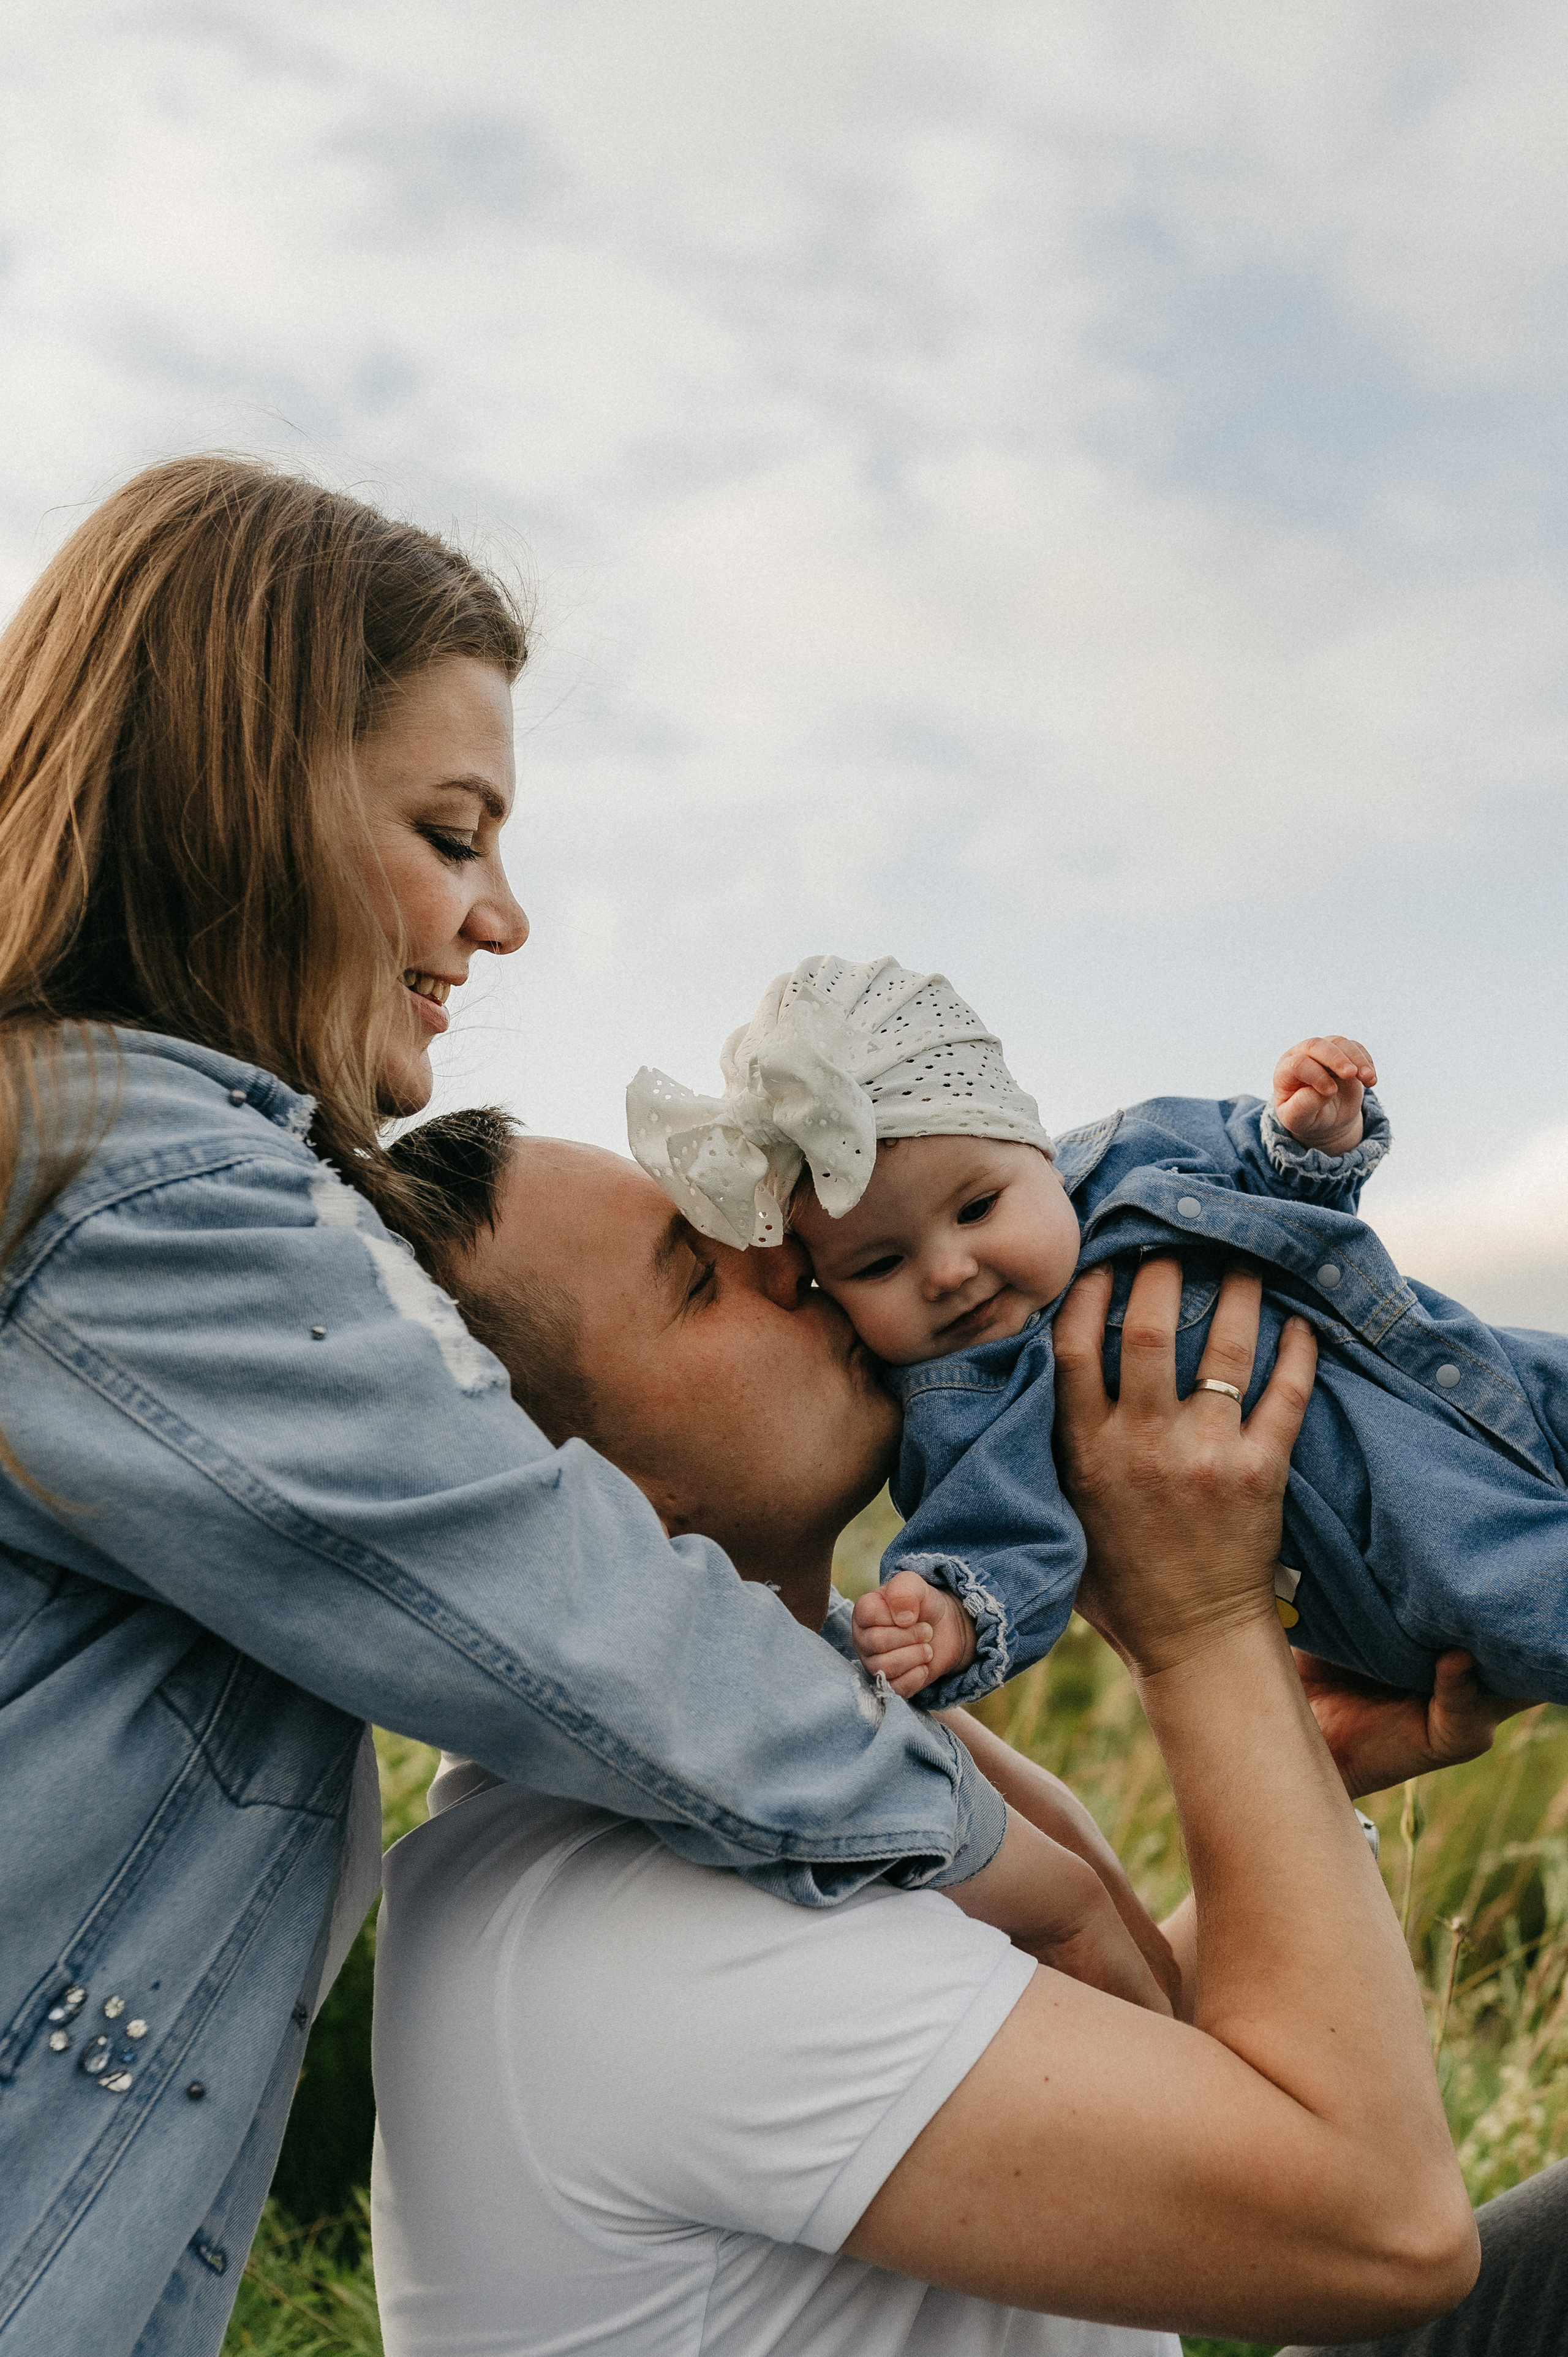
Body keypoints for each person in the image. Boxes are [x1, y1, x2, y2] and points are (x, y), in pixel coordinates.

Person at [0, 462, 1055, 2357]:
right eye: (449, 832)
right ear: (242, 804)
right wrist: (1033, 1877)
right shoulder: (136, 1196)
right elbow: (588, 1624)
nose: (503, 919)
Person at [370, 1110, 1500, 2354]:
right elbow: (1386, 2228)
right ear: (598, 1497)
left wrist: (1300, 1763)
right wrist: (1203, 1626)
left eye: (737, 1224)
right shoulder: (637, 1926)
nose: (787, 1255)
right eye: (698, 1279)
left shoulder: (811, 1729)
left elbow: (1155, 2050)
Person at [627, 953, 1561, 1716]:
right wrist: (951, 1613)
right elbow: (1002, 1534)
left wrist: (1312, 1133)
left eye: (978, 1207)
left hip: (1462, 1366)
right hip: (1402, 1537)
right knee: (1520, 1593)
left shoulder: (1130, 1157)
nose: (947, 1270)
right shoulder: (968, 1397)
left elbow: (1263, 1166)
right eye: (880, 1265)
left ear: (1037, 1149)